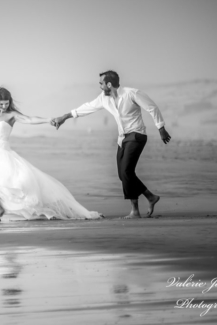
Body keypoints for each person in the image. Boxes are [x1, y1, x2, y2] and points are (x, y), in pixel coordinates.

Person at [0, 87, 102, 222]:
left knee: (11, 184)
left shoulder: (12, 115)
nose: (4, 106)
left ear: (10, 101)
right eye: (1, 103)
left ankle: (11, 209)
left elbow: (30, 119)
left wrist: (48, 119)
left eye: (6, 103)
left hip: (2, 152)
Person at [51, 70, 171, 219]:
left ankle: (135, 211)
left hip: (137, 135)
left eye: (101, 83)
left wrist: (161, 128)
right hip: (123, 138)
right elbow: (86, 107)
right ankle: (150, 197)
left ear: (109, 84)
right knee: (123, 175)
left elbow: (151, 107)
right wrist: (64, 117)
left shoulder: (131, 93)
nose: (100, 86)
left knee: (127, 171)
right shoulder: (104, 98)